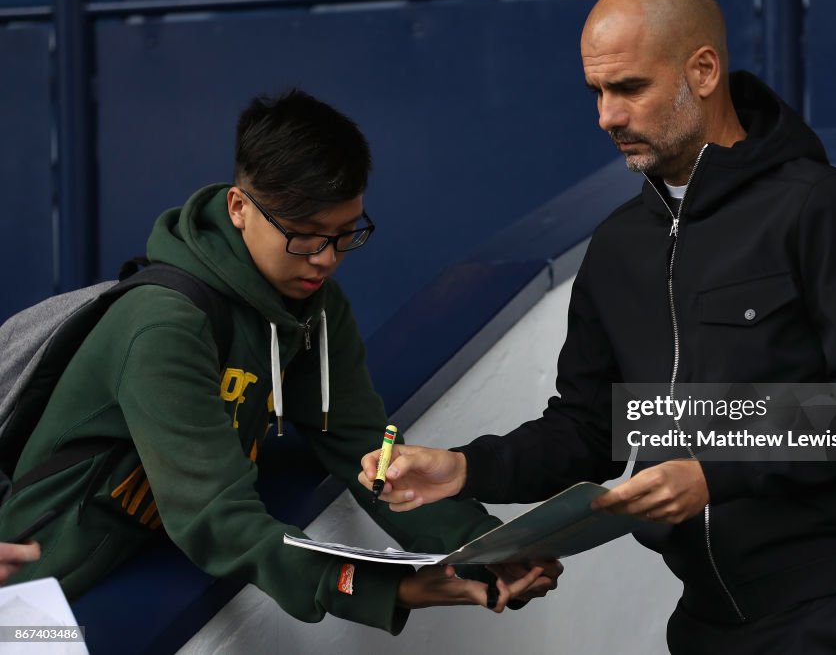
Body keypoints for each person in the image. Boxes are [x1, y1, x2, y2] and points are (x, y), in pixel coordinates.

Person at [360, 0, 836, 654]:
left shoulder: (823, 209)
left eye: (629, 87)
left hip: (834, 618)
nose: (607, 115)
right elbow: (587, 429)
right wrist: (463, 468)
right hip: (704, 624)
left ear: (705, 69)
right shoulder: (618, 247)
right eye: (597, 91)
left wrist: (713, 471)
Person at [0, 90, 556, 632]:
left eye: (345, 235)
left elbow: (364, 444)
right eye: (305, 238)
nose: (327, 259)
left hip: (138, 571)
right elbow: (217, 516)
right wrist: (384, 587)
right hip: (35, 593)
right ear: (240, 208)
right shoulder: (163, 323)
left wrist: (480, 546)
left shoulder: (313, 307)